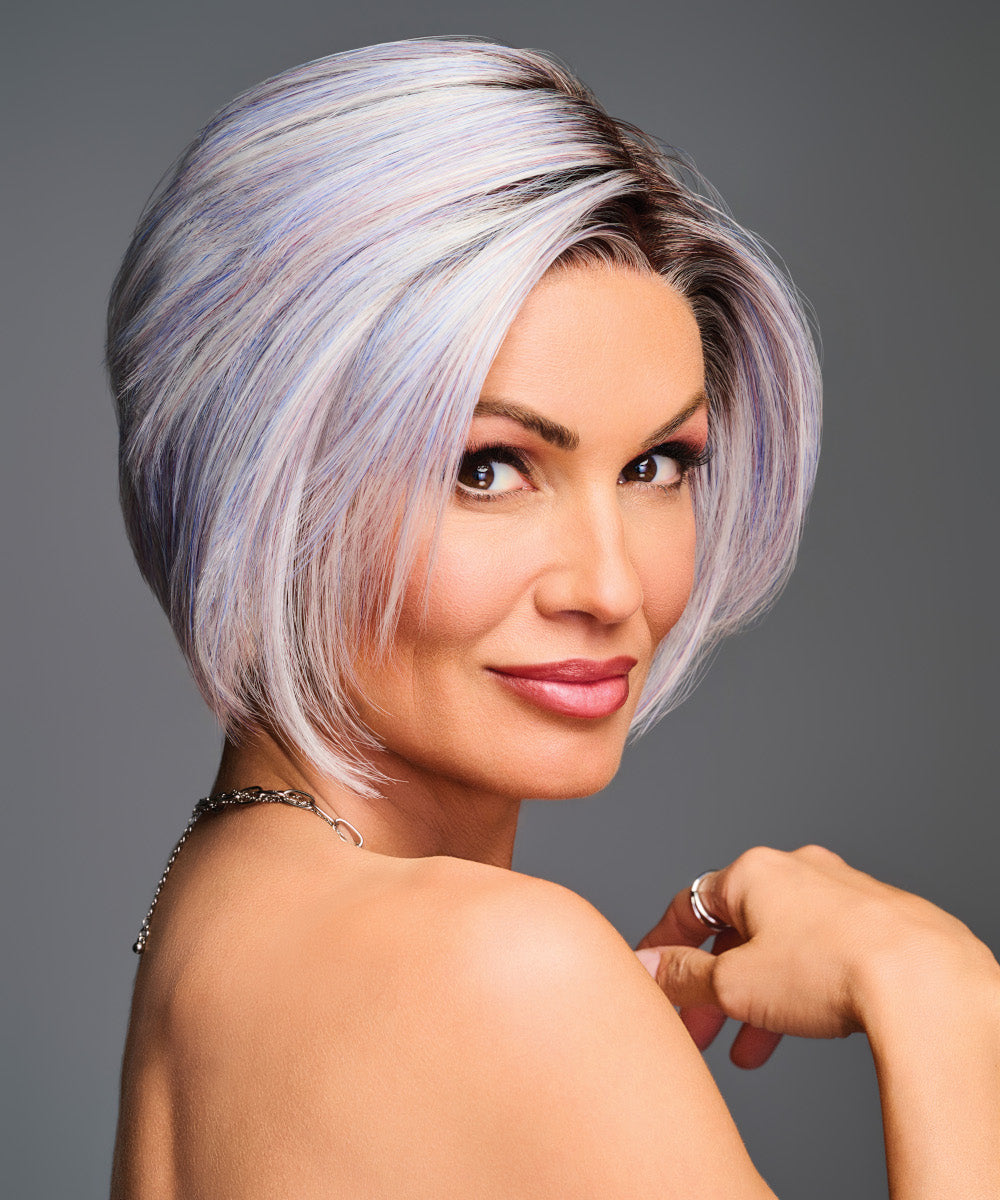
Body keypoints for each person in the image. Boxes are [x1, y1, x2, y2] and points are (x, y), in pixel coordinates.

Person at [107, 35, 999, 1199]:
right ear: (270, 487)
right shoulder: (500, 970)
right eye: (487, 469)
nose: (611, 587)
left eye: (655, 466)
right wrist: (940, 997)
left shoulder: (221, 905)